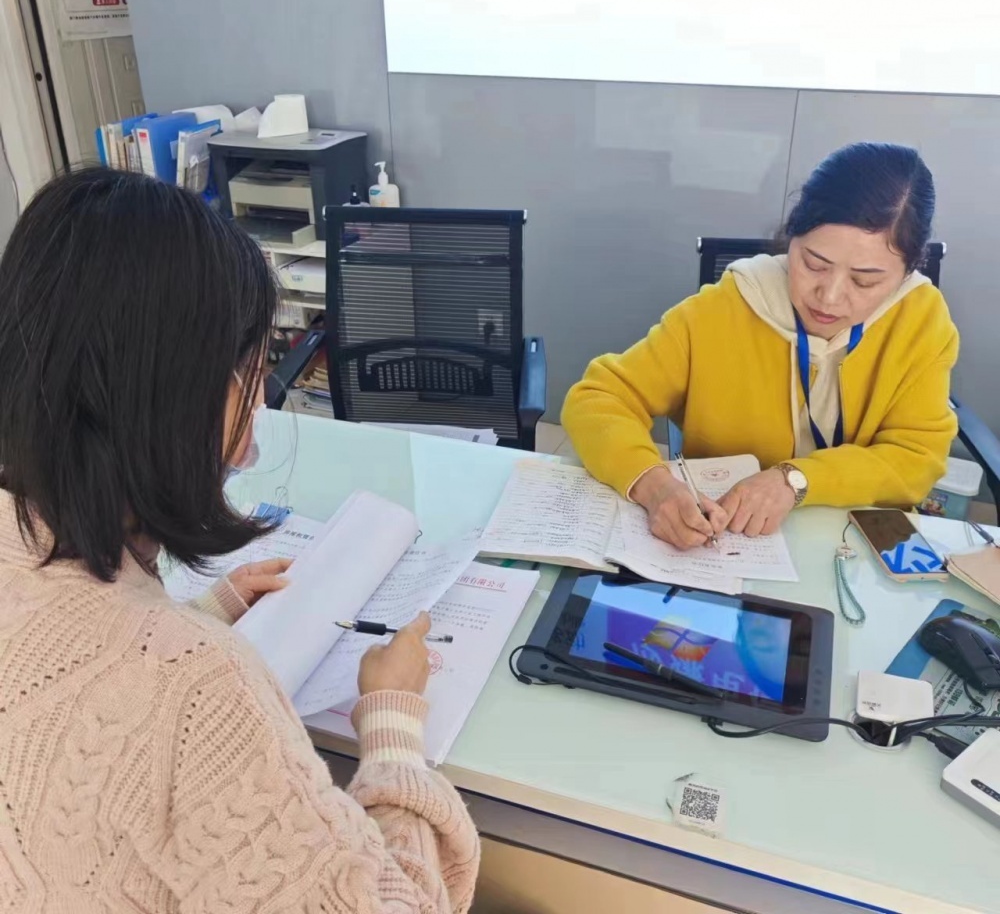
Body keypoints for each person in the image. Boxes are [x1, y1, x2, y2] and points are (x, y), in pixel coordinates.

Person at [0, 169, 479, 913]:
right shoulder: (200, 687)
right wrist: (390, 722)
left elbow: (64, 683)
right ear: (180, 395)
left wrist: (201, 612)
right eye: (251, 373)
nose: (257, 407)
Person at [563, 142, 959, 550]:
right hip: (726, 544)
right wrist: (653, 484)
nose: (828, 297)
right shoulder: (725, 307)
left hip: (860, 546)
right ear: (791, 237)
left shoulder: (921, 320)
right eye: (813, 264)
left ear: (907, 272)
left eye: (865, 280)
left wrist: (795, 480)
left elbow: (917, 458)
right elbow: (598, 398)